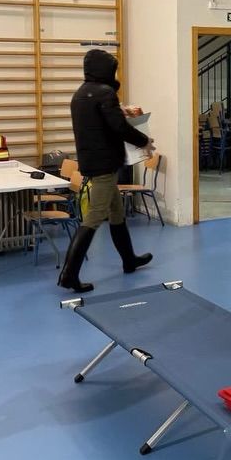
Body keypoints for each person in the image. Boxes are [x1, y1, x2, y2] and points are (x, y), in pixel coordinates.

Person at [58, 48, 155, 292]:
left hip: (92, 161)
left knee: (116, 213)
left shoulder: (80, 94)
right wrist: (144, 140)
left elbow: (101, 122)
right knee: (93, 218)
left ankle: (129, 260)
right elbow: (119, 127)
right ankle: (69, 274)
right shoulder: (105, 93)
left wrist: (119, 110)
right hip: (104, 165)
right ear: (105, 70)